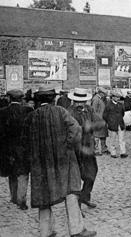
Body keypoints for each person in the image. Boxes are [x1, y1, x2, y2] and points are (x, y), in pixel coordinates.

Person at [24, 85, 96, 237]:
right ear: (53, 98)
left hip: (41, 163)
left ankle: (46, 231)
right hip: (65, 160)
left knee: (43, 195)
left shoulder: (31, 116)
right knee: (70, 192)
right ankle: (77, 230)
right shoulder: (61, 112)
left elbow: (25, 140)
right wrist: (68, 146)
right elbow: (76, 131)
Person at [0, 90, 33, 210]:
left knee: (11, 172)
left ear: (9, 99)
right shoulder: (28, 110)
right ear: (21, 99)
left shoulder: (2, 112)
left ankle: (14, 197)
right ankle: (22, 199)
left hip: (8, 148)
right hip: (24, 147)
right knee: (23, 172)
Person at [68, 88, 105, 209]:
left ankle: (84, 197)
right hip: (74, 149)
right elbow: (68, 129)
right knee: (76, 177)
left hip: (88, 148)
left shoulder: (89, 110)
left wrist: (91, 126)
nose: (80, 104)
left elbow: (101, 123)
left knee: (92, 173)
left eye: (82, 101)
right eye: (77, 101)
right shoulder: (69, 112)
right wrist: (83, 128)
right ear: (73, 100)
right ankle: (76, 205)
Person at [103, 90, 127, 158]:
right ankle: (113, 153)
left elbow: (123, 113)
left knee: (121, 139)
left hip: (120, 124)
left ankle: (123, 152)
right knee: (112, 139)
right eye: (116, 97)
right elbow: (105, 115)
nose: (118, 98)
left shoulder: (121, 105)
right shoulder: (108, 105)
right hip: (112, 124)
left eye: (118, 97)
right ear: (112, 97)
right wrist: (110, 121)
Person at [91, 87, 108, 155]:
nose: (105, 95)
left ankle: (104, 149)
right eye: (104, 94)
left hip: (102, 120)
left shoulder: (101, 99)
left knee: (103, 135)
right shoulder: (96, 99)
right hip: (98, 120)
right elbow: (93, 111)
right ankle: (96, 150)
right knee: (97, 136)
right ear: (101, 93)